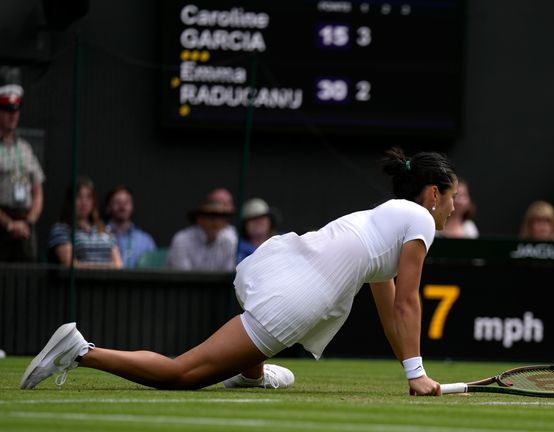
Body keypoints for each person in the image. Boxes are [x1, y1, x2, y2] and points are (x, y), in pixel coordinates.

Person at [20, 147, 457, 396]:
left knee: (234, 355)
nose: (454, 208)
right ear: (434, 193)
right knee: (182, 376)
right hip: (298, 294)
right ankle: (81, 350)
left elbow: (388, 307)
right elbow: (408, 301)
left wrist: (410, 368)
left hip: (287, 264)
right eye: (451, 197)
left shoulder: (386, 216)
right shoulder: (418, 220)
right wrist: (417, 376)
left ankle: (251, 372)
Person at [0, 70, 45, 262]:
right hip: (2, 220)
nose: (13, 115)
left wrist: (29, 221)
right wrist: (9, 224)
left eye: (16, 110)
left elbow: (37, 191)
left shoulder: (25, 148)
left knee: (27, 276)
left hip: (25, 221)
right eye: (8, 110)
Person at [48, 176, 123, 268]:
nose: (84, 202)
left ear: (93, 201)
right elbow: (71, 264)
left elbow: (118, 264)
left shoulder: (104, 228)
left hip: (109, 281)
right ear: (70, 200)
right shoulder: (61, 229)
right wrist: (107, 267)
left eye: (89, 197)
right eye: (79, 196)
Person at [165, 191, 238, 271]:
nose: (217, 222)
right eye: (211, 217)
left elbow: (228, 275)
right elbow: (183, 278)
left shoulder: (230, 242)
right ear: (199, 219)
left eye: (221, 217)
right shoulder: (182, 240)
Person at [104, 185, 157, 268]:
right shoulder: (99, 236)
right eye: (117, 202)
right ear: (108, 207)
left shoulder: (145, 241)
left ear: (132, 206)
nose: (122, 207)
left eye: (126, 202)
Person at [237, 197, 280, 263]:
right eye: (253, 219)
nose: (258, 222)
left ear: (270, 221)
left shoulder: (283, 240)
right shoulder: (237, 248)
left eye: (262, 217)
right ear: (245, 225)